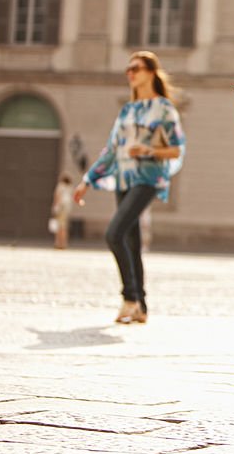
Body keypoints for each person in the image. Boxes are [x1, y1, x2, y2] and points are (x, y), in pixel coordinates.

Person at [73, 51, 186, 324]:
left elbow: (177, 150)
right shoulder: (127, 110)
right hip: (123, 179)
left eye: (136, 68)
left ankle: (130, 298)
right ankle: (142, 307)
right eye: (128, 69)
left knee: (114, 233)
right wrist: (87, 180)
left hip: (148, 179)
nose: (131, 73)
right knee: (132, 242)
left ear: (150, 72)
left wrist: (147, 149)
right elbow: (111, 151)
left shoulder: (164, 108)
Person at [51, 173, 73, 249]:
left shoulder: (60, 186)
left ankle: (57, 243)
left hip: (61, 207)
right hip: (67, 208)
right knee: (64, 226)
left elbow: (57, 197)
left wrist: (55, 207)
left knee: (59, 226)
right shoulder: (70, 187)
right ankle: (64, 243)